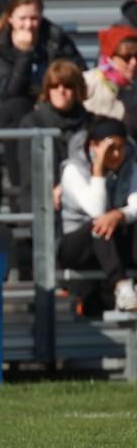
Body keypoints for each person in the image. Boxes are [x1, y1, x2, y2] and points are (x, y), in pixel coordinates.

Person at [0, 0, 85, 148]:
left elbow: (77, 71)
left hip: (52, 97)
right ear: (10, 19)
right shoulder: (1, 46)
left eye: (34, 18)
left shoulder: (55, 38)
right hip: (19, 103)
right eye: (22, 18)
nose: (28, 25)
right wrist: (24, 54)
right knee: (16, 108)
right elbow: (10, 91)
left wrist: (45, 98)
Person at [57, 116, 137, 314]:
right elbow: (96, 209)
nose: (117, 154)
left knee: (115, 222)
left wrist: (119, 214)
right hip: (76, 245)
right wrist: (98, 168)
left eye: (121, 147)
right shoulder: (73, 170)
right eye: (111, 149)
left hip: (113, 241)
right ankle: (121, 287)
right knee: (99, 224)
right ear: (94, 147)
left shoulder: (131, 167)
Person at [16, 60, 90, 213]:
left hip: (85, 196)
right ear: (47, 90)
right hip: (42, 197)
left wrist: (67, 187)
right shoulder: (32, 123)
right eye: (54, 86)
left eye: (68, 86)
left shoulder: (92, 124)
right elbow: (30, 170)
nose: (61, 90)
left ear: (77, 90)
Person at [83, 26, 137, 122]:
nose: (134, 62)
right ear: (110, 57)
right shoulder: (87, 83)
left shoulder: (133, 88)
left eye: (136, 56)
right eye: (127, 57)